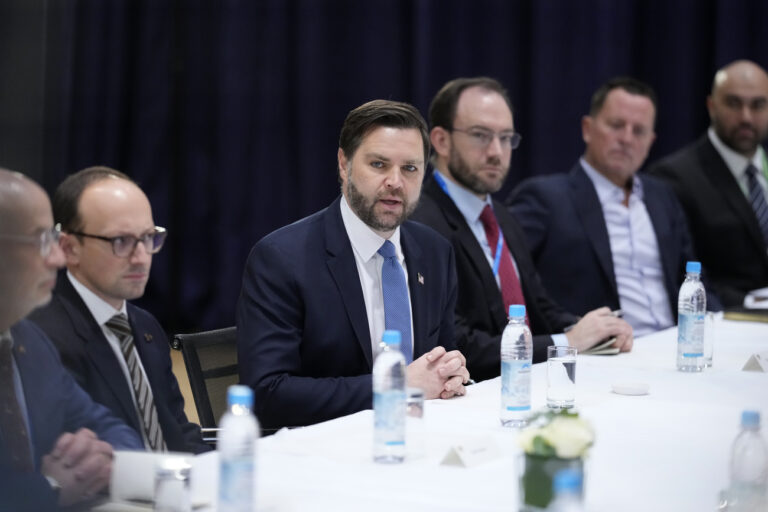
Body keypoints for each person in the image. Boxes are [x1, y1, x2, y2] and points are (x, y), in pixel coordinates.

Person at [237, 99, 470, 431]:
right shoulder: (282, 259)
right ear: (344, 164)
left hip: (421, 440)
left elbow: (437, 361)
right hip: (321, 454)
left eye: (410, 168)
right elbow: (267, 394)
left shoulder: (435, 252)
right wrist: (396, 386)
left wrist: (449, 374)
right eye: (378, 164)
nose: (395, 182)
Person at [410, 77, 633, 381]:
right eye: (480, 135)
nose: (496, 152)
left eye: (505, 138)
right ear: (441, 140)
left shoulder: (501, 215)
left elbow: (539, 307)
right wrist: (567, 343)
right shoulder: (421, 225)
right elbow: (455, 342)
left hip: (529, 380)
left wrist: (596, 330)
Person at [508, 77, 719, 338]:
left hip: (675, 344)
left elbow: (694, 278)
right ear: (587, 128)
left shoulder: (662, 196)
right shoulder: (545, 198)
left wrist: (720, 328)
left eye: (639, 131)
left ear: (651, 142)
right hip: (606, 354)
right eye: (616, 125)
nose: (627, 139)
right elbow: (511, 282)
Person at [29, 167, 209, 454]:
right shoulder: (43, 335)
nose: (141, 258)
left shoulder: (145, 325)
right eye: (120, 242)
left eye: (149, 237)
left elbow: (177, 430)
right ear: (69, 247)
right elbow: (85, 456)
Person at [0, 168, 143, 510]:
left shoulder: (28, 341)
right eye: (40, 241)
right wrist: (48, 487)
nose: (58, 258)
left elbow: (108, 427)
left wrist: (99, 461)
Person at [649, 60, 768, 307]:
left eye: (758, 105)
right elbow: (681, 272)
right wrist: (750, 302)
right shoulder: (673, 177)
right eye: (734, 103)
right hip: (728, 321)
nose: (746, 117)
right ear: (711, 106)